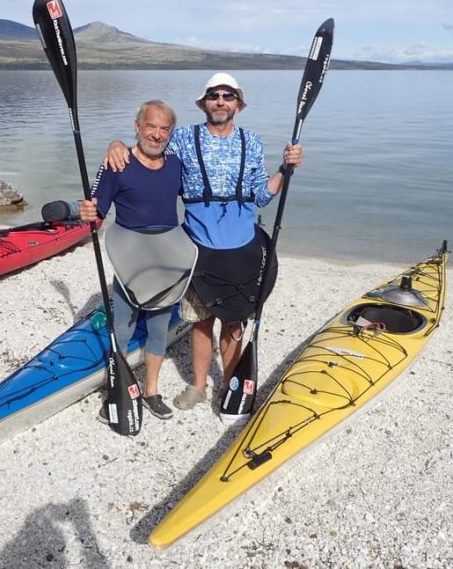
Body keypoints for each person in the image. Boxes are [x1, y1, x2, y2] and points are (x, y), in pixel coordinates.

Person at [104, 73, 302, 411]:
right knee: (199, 321)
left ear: (238, 104)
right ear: (204, 103)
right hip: (197, 247)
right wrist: (116, 144)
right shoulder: (182, 137)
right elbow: (150, 146)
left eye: (228, 96)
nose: (221, 101)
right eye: (214, 95)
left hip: (242, 245)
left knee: (234, 321)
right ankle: (197, 386)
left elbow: (261, 196)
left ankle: (227, 385)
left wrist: (285, 169)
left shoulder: (251, 141)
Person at [79, 99, 184, 421]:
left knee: (157, 328)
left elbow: (199, 200)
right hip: (129, 257)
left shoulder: (177, 165)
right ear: (137, 127)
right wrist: (87, 213)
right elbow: (97, 212)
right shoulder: (117, 163)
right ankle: (119, 389)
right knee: (122, 329)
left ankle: (151, 391)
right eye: (150, 126)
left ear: (170, 133)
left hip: (166, 257)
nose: (156, 134)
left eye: (163, 128)